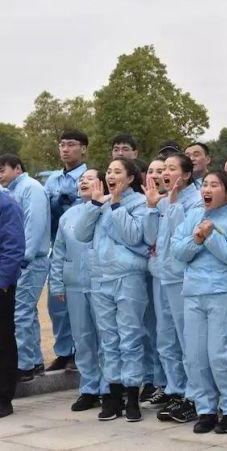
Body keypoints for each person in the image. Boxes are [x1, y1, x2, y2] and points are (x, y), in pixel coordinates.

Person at [171, 170, 227, 434]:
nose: (206, 189)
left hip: (222, 295)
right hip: (193, 293)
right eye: (204, 184)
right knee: (195, 356)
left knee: (220, 355)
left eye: (214, 185)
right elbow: (178, 251)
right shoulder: (193, 215)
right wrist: (196, 238)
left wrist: (210, 236)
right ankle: (205, 408)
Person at [74, 157, 149, 422]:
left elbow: (134, 237)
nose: (111, 175)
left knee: (130, 337)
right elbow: (81, 234)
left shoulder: (140, 203)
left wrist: (116, 205)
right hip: (100, 278)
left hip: (128, 277)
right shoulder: (100, 203)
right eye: (108, 171)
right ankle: (112, 395)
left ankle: (131, 395)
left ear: (130, 178)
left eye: (118, 171)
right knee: (108, 340)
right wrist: (95, 204)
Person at [143, 153, 203, 424]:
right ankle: (176, 389)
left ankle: (195, 395)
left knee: (187, 339)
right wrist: (153, 207)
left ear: (187, 174)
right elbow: (150, 237)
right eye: (163, 169)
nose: (165, 173)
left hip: (184, 279)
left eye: (172, 168)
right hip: (162, 276)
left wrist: (170, 205)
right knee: (166, 338)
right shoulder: (163, 201)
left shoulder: (196, 200)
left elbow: (185, 236)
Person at [49, 169, 109, 412]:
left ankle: (110, 387)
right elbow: (59, 253)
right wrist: (56, 283)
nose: (83, 182)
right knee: (82, 338)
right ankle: (89, 388)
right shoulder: (68, 215)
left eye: (90, 179)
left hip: (103, 283)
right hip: (74, 284)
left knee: (106, 337)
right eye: (81, 180)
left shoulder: (109, 209)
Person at [0, 154, 50, 383]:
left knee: (21, 312)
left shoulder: (31, 188)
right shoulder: (14, 190)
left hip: (29, 260)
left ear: (17, 168)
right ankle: (34, 360)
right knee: (26, 312)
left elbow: (34, 226)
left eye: (2, 170)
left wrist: (22, 259)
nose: (0, 176)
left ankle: (25, 366)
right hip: (21, 261)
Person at [44, 130, 90, 371]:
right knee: (56, 304)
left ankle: (80, 352)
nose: (65, 149)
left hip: (82, 247)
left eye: (71, 145)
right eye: (62, 144)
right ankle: (63, 351)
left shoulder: (90, 176)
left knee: (79, 305)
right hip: (57, 246)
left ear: (83, 149)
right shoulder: (52, 180)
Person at [141, 159, 168, 403]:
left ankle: (175, 386)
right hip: (151, 274)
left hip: (172, 276)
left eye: (162, 171)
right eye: (151, 171)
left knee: (170, 333)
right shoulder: (146, 202)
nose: (157, 175)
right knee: (154, 331)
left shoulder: (178, 202)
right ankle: (158, 381)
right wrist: (150, 207)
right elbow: (149, 238)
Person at [0, 191, 25, 418]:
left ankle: (4, 398)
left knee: (2, 340)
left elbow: (14, 247)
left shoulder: (6, 205)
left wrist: (3, 282)